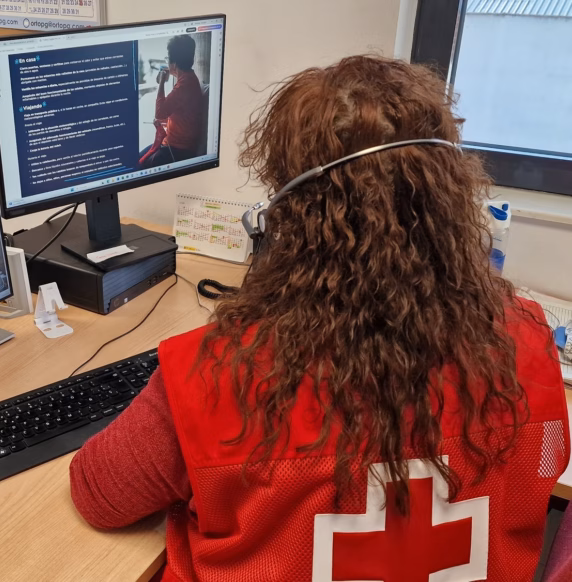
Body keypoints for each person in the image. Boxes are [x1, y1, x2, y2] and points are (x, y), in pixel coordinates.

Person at [70, 56, 569, 580]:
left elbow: (99, 494)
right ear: (447, 199)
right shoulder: (527, 343)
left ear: (289, 214)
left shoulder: (216, 374)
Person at [139, 35, 205, 169]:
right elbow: (182, 115)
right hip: (174, 144)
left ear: (174, 63)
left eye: (168, 59)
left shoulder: (183, 86)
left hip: (178, 150)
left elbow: (159, 113)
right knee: (138, 157)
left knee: (139, 165)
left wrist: (162, 82)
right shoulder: (189, 78)